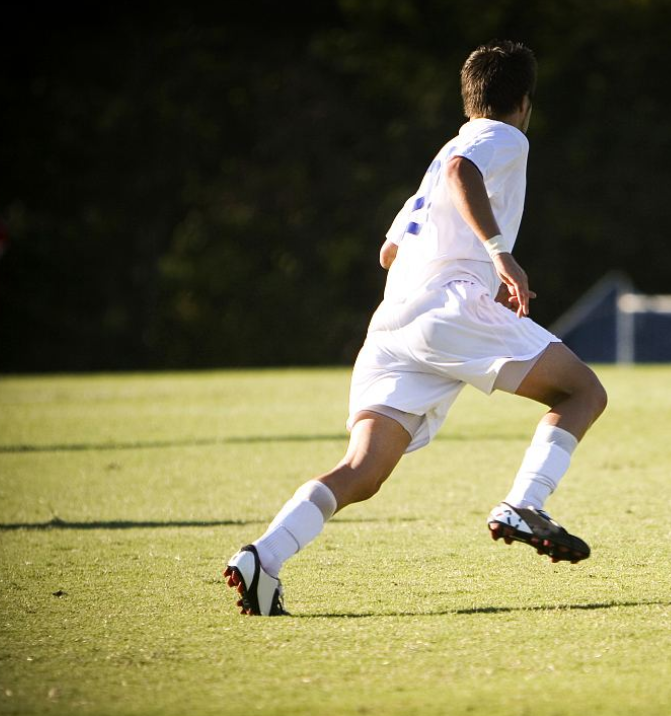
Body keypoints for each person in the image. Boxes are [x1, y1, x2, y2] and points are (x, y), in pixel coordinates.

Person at [223, 41, 608, 616]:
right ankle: (524, 504)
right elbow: (464, 170)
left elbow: (387, 251)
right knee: (583, 391)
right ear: (523, 103)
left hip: (394, 321)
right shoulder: (500, 137)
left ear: (467, 94)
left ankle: (265, 556)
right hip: (448, 308)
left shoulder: (437, 159)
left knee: (363, 470)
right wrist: (498, 254)